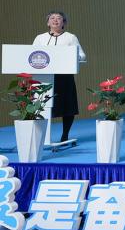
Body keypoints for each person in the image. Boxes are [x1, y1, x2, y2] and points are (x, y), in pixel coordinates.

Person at [32, 11, 86, 145]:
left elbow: (82, 55)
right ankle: (40, 136)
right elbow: (32, 54)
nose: (55, 20)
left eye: (59, 18)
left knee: (67, 106)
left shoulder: (70, 37)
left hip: (64, 77)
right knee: (42, 106)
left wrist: (72, 56)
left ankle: (65, 135)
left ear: (64, 22)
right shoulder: (40, 38)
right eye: (52, 18)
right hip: (43, 77)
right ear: (48, 23)